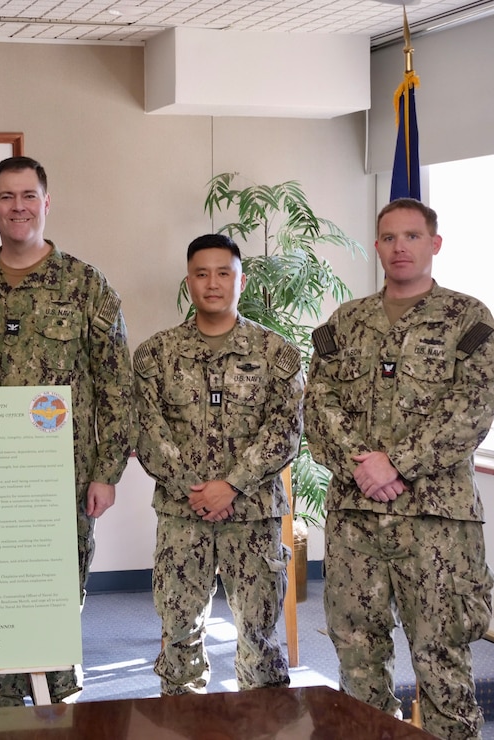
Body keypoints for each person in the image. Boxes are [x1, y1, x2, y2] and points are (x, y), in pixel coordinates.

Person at [306, 198, 494, 740]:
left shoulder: (470, 320)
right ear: (377, 247)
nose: (400, 247)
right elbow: (318, 402)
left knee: (442, 660)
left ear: (434, 244)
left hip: (436, 524)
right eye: (389, 238)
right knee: (356, 656)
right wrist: (362, 464)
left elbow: (473, 409)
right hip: (356, 518)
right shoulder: (346, 322)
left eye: (412, 237)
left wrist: (395, 463)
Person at [0, 155, 135, 706]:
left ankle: (62, 712)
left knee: (54, 610)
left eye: (29, 196)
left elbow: (117, 385)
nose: (18, 207)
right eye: (7, 197)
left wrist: (107, 472)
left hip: (62, 484)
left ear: (46, 203)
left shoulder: (85, 285)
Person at [133, 233, 302, 695]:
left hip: (253, 517)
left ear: (240, 281)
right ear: (189, 282)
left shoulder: (275, 354)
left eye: (223, 273)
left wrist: (231, 485)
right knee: (179, 640)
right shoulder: (156, 355)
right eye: (202, 274)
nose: (213, 283)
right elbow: (147, 431)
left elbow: (285, 430)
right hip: (182, 516)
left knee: (261, 642)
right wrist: (196, 488)